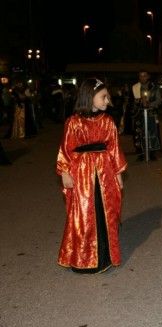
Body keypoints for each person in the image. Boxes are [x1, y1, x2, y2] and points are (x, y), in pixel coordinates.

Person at [56, 78, 127, 273]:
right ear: (90, 97)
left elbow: (114, 149)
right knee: (84, 214)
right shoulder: (73, 122)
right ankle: (84, 258)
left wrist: (119, 174)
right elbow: (65, 149)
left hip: (105, 173)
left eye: (108, 97)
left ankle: (104, 256)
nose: (107, 101)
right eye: (103, 97)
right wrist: (64, 171)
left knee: (105, 212)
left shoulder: (108, 121)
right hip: (82, 174)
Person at [132, 70, 162, 161]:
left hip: (151, 114)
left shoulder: (154, 87)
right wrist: (138, 102)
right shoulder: (135, 87)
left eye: (144, 76)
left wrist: (149, 104)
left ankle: (152, 153)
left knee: (152, 133)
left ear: (148, 76)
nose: (142, 78)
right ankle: (141, 153)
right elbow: (131, 101)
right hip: (139, 114)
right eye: (141, 76)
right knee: (139, 134)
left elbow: (159, 100)